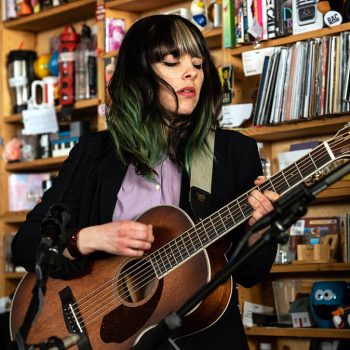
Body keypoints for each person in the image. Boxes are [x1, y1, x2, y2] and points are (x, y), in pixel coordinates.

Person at [12, 14, 279, 350]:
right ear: (138, 76)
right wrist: (90, 238)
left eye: (197, 64)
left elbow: (250, 273)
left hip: (200, 339)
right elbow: (26, 244)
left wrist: (258, 228)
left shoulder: (233, 151)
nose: (190, 73)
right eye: (172, 62)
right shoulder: (94, 152)